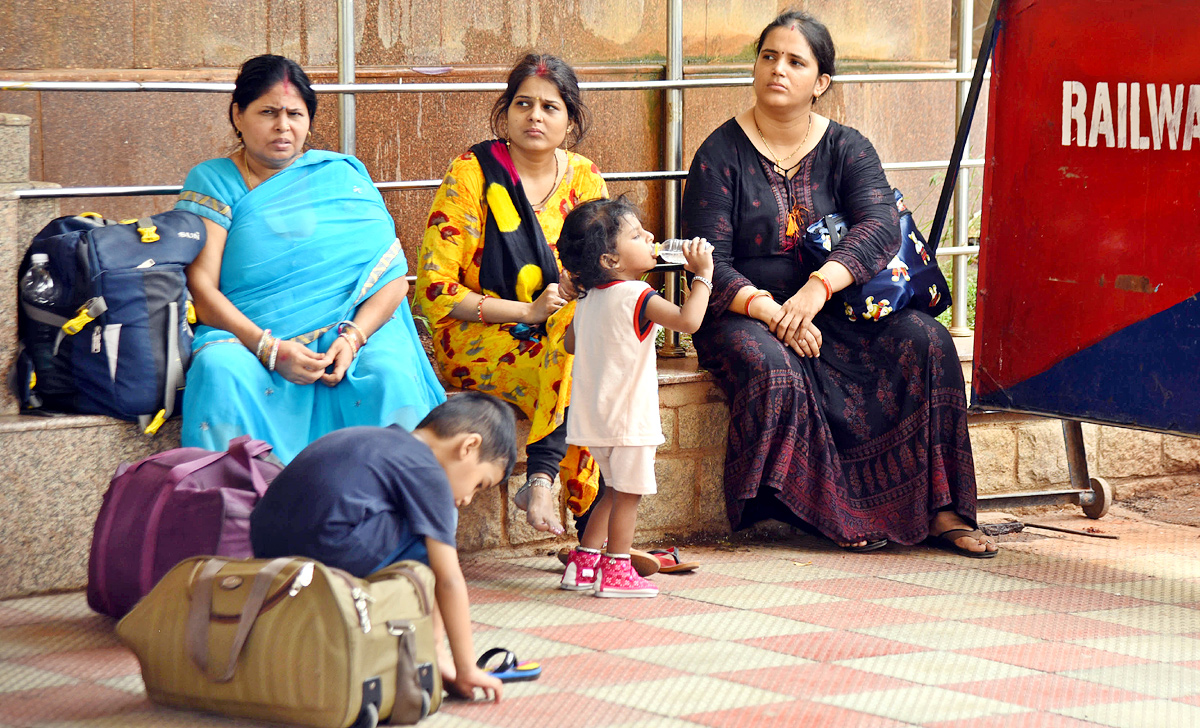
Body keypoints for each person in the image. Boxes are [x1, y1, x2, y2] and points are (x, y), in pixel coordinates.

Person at [680, 11, 997, 558]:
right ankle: (827, 514)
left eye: (795, 61)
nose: (778, 69)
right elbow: (709, 261)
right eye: (769, 56)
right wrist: (771, 311)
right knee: (772, 367)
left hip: (838, 309)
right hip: (744, 315)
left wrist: (815, 291)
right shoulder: (719, 153)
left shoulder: (848, 148)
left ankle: (941, 508)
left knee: (928, 340)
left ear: (820, 82)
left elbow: (878, 229)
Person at [177, 54, 444, 463]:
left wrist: (352, 339)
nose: (283, 126)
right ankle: (235, 511)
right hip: (251, 338)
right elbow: (202, 288)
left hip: (348, 335)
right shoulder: (213, 180)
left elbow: (391, 276)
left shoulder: (341, 177)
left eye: (294, 114)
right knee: (218, 369)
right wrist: (269, 349)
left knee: (389, 373)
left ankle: (389, 513)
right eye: (268, 112)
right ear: (238, 114)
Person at [416, 53, 608, 536]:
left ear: (571, 120)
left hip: (560, 331)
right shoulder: (473, 173)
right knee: (576, 362)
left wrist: (570, 294)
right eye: (524, 104)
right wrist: (527, 309)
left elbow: (609, 268)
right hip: (476, 334)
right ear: (506, 112)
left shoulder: (585, 179)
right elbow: (435, 290)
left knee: (576, 353)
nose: (535, 116)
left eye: (550, 107)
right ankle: (588, 527)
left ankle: (550, 489)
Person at [250, 391, 516, 701]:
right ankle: (436, 652)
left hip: (265, 547)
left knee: (424, 526)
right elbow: (449, 578)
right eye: (479, 484)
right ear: (469, 446)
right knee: (434, 539)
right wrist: (467, 667)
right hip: (327, 548)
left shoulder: (373, 438)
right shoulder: (428, 471)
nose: (469, 498)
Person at [556, 198, 714, 596]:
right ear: (610, 260)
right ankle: (616, 571)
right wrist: (704, 275)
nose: (648, 236)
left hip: (594, 418)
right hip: (629, 419)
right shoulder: (637, 295)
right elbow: (689, 321)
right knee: (628, 495)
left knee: (612, 490)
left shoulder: (587, 298)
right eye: (635, 234)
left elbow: (571, 343)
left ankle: (583, 564)